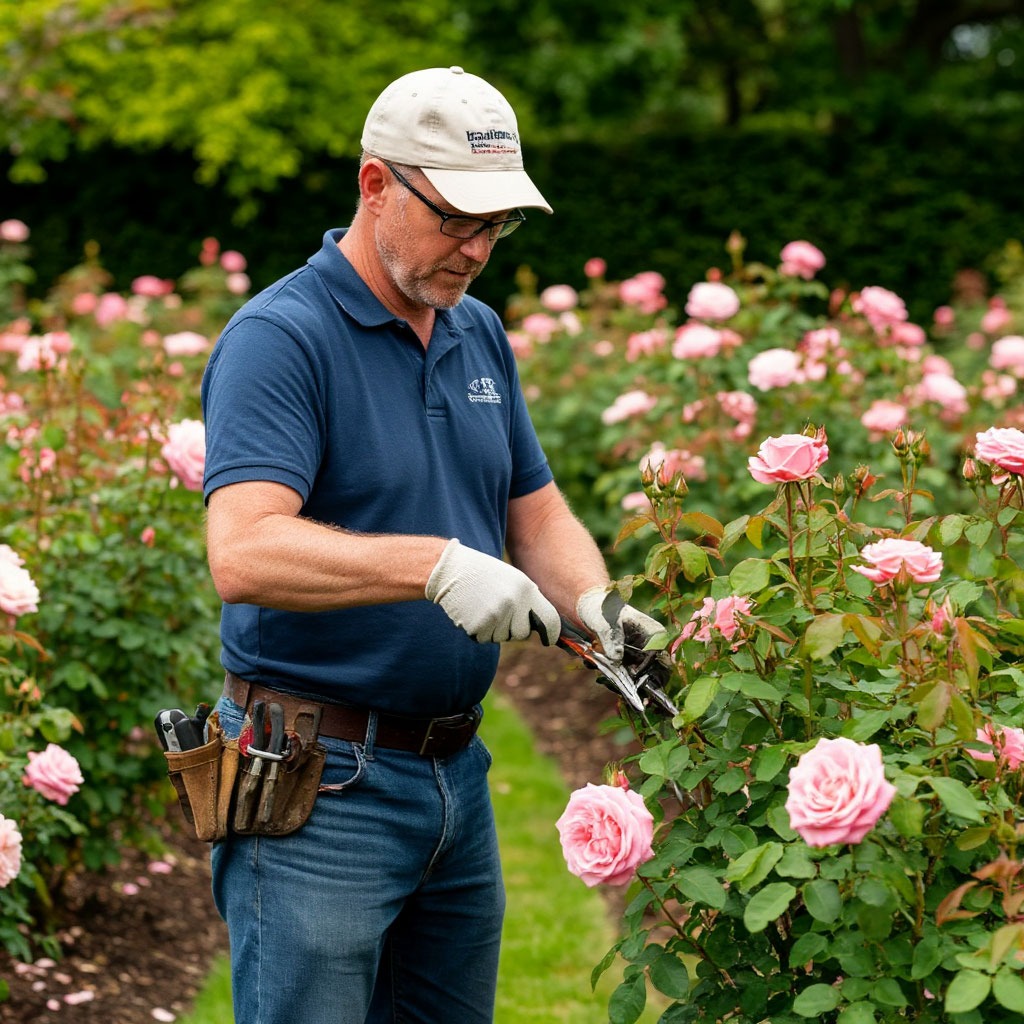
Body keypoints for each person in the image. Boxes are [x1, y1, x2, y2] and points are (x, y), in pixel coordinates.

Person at [200, 65, 663, 1024]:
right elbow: (243, 549)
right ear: (376, 185)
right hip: (317, 786)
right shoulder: (281, 338)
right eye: (457, 218)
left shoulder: (476, 332)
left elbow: (532, 512)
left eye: (498, 225)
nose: (479, 248)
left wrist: (602, 612)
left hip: (455, 777)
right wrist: (433, 566)